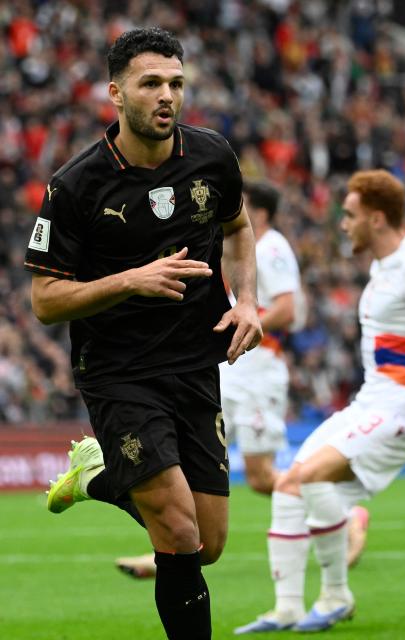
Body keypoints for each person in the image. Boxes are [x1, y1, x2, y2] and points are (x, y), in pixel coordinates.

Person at [24, 27, 262, 640]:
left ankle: (99, 476)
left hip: (195, 366)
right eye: (151, 83)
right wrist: (132, 279)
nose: (167, 96)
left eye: (176, 84)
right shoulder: (76, 186)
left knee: (205, 545)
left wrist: (249, 301)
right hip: (119, 373)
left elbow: (237, 228)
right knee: (178, 531)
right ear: (116, 94)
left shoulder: (212, 156)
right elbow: (46, 302)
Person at [234, 169, 405, 634]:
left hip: (404, 408)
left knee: (312, 475)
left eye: (351, 215)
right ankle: (287, 608)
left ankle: (337, 595)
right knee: (289, 483)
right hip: (371, 402)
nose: (343, 223)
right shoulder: (381, 268)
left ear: (377, 219)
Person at [112, 180, 369, 579]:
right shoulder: (239, 247)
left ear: (259, 211)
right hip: (229, 368)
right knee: (184, 461)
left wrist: (244, 323)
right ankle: (173, 547)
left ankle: (345, 514)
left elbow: (286, 309)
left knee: (263, 476)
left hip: (259, 370)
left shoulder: (272, 247)